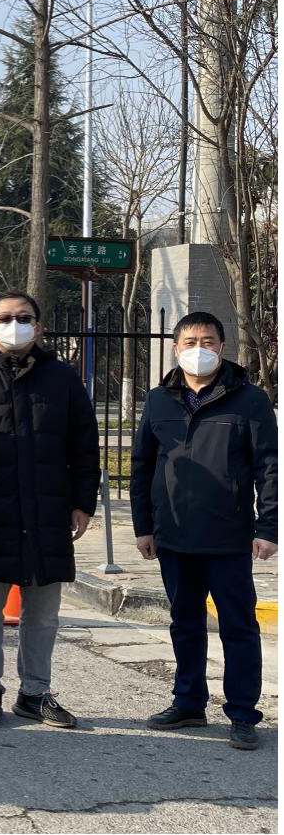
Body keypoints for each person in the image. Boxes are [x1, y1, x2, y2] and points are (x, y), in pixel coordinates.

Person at [0, 291, 99, 729]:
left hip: (47, 513)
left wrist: (82, 502)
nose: (15, 325)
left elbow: (84, 444)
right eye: (5, 318)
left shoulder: (62, 378)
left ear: (38, 326)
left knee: (43, 611)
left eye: (24, 317)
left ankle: (34, 692)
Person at [131, 311, 278, 751]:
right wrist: (143, 526)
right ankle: (189, 702)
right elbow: (142, 466)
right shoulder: (159, 400)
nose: (200, 350)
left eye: (208, 341)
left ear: (222, 347)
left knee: (238, 626)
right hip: (173, 534)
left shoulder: (250, 401)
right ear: (176, 349)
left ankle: (243, 713)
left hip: (228, 535)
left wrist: (269, 526)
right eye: (190, 342)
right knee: (185, 622)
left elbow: (270, 467)